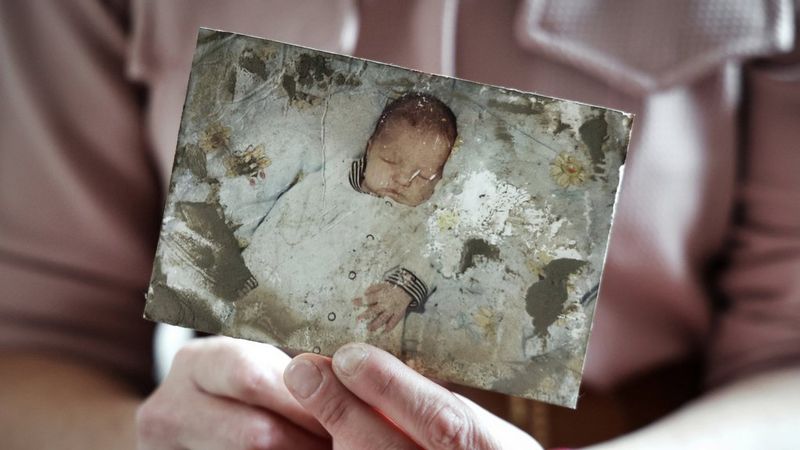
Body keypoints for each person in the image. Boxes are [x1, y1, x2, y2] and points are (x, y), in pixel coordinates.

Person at [1, 1, 798, 450]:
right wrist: (141, 441)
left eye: (427, 177)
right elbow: (33, 344)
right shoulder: (316, 189)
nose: (411, 186)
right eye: (397, 168)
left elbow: (788, 360)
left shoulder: (434, 221)